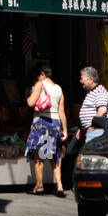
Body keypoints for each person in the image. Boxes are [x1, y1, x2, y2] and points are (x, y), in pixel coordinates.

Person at [24, 64, 68, 196]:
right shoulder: (59, 89)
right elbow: (61, 111)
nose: (37, 78)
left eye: (38, 75)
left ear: (42, 74)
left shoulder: (40, 84)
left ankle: (39, 186)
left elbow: (31, 103)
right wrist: (64, 130)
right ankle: (59, 186)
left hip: (42, 122)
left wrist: (28, 95)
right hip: (55, 124)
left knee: (39, 158)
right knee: (54, 157)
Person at [77, 66, 108, 144]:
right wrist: (82, 128)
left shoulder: (99, 92)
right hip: (92, 132)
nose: (80, 81)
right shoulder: (92, 91)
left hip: (96, 132)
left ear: (91, 80)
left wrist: (92, 127)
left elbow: (102, 110)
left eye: (82, 79)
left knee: (91, 154)